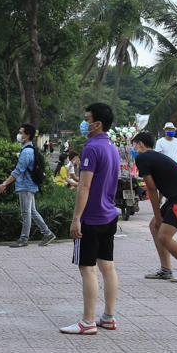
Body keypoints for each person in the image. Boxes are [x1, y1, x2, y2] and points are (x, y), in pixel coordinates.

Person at [61, 104, 121, 334]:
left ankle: (87, 322)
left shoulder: (91, 148)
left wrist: (76, 218)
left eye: (87, 119)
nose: (84, 123)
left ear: (97, 124)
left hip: (91, 218)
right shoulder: (112, 147)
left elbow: (84, 186)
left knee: (87, 268)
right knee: (108, 267)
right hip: (109, 215)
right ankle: (109, 317)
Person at [131, 130, 177, 283]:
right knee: (154, 227)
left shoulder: (143, 158)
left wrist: (158, 215)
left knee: (164, 235)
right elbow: (161, 183)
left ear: (140, 144)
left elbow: (152, 189)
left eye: (133, 145)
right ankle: (165, 269)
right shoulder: (154, 157)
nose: (133, 149)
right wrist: (157, 215)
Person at [0, 122, 55, 248]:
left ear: (27, 136)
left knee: (25, 213)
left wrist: (4, 184)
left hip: (25, 185)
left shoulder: (26, 152)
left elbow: (18, 171)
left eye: (20, 133)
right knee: (32, 211)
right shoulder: (30, 149)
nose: (18, 135)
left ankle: (23, 239)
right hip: (29, 185)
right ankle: (47, 233)